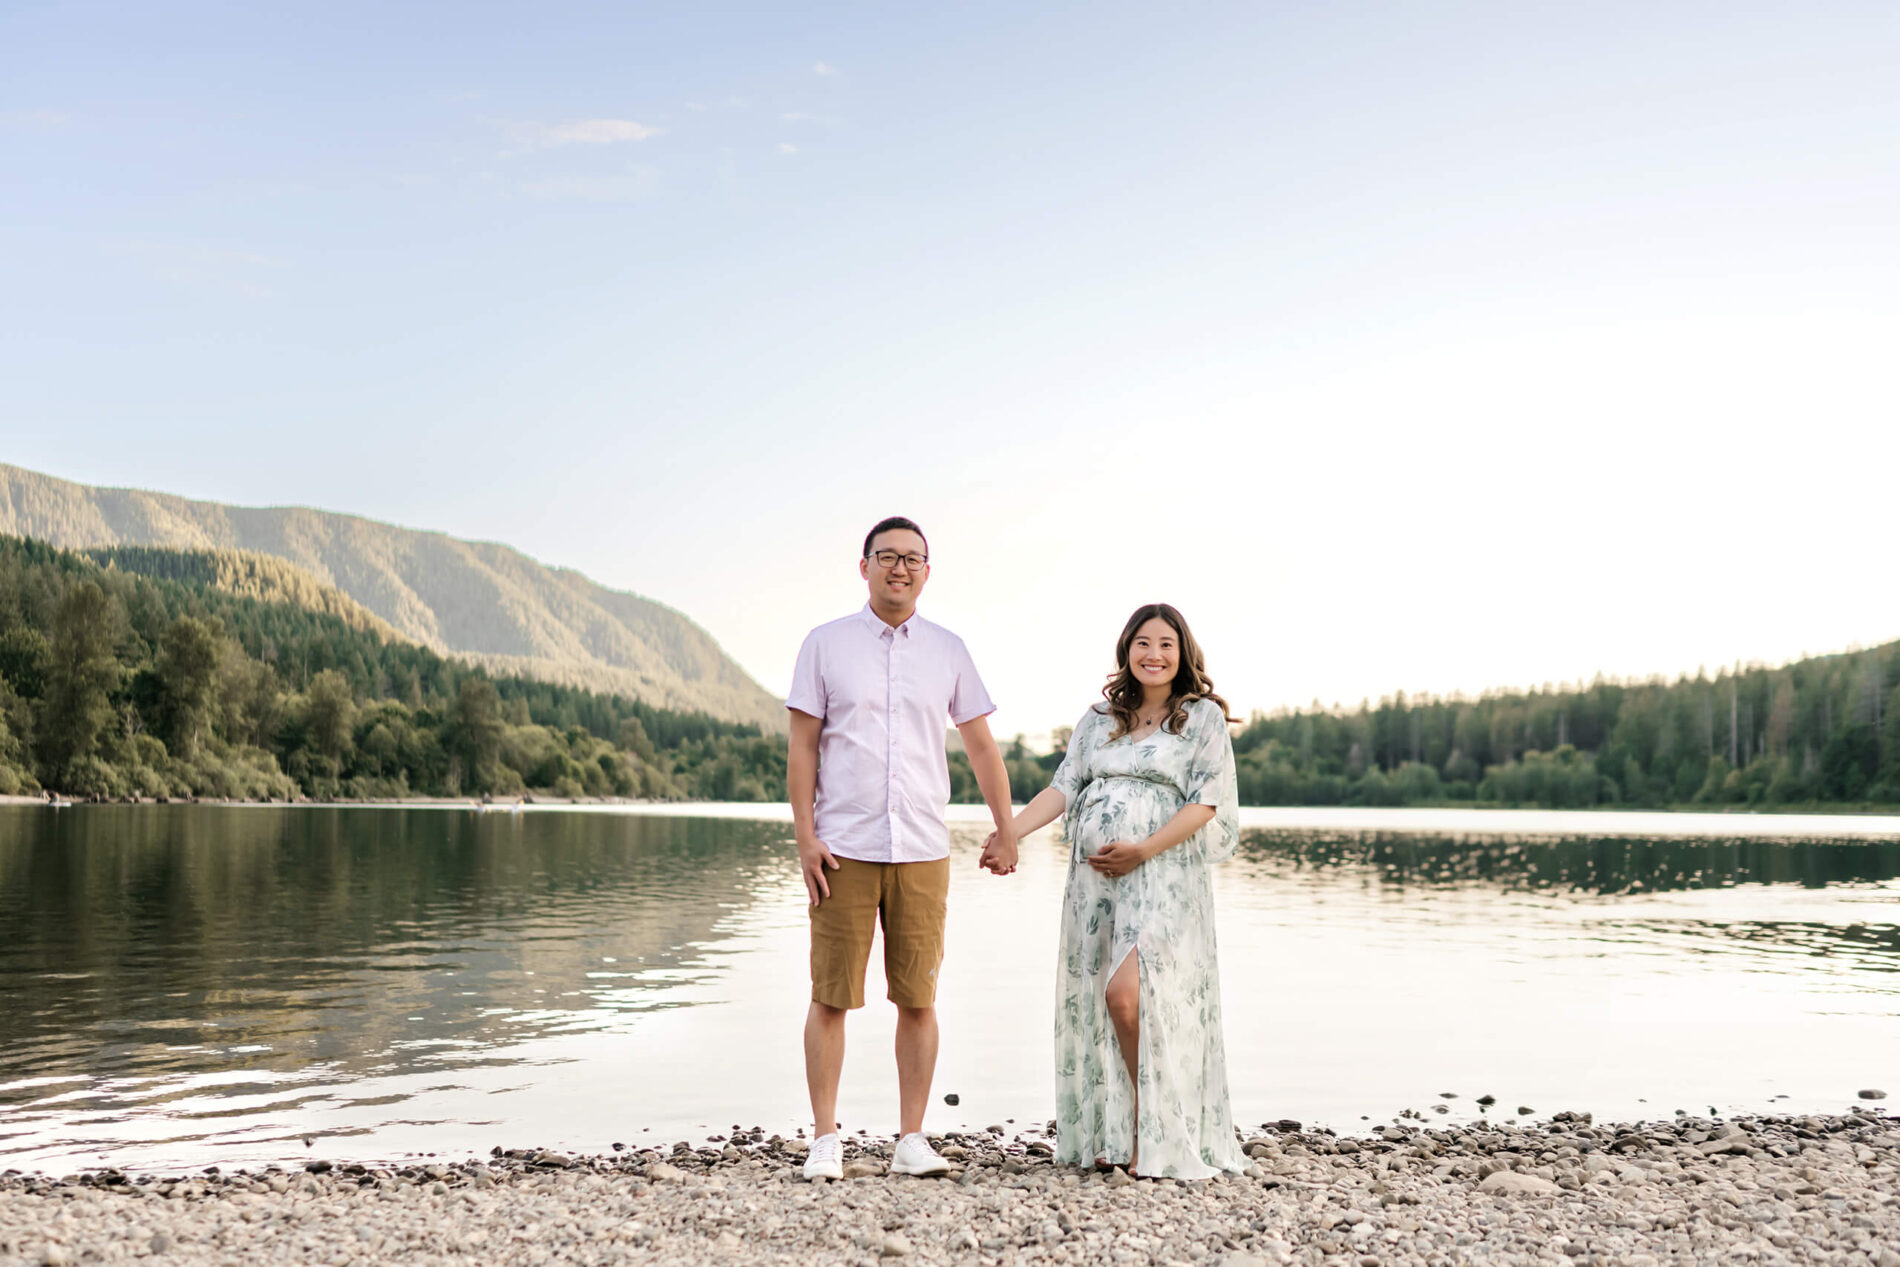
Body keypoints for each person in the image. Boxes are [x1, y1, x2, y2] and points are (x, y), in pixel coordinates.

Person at [786, 516, 1018, 1182]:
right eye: (887, 556)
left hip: (921, 845)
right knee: (830, 994)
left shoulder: (948, 649)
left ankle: (911, 1137)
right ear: (864, 566)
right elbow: (803, 746)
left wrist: (1005, 827)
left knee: (918, 996)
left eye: (913, 558)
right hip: (843, 846)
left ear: (926, 570)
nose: (900, 567)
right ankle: (826, 1137)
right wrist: (805, 836)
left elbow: (979, 744)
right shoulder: (825, 644)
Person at [992, 603, 1245, 1180]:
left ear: (1183, 654)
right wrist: (1010, 832)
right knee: (1100, 998)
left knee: (1128, 997)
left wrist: (1143, 849)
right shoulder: (1100, 718)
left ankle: (1148, 1131)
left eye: (1165, 644)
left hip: (1164, 875)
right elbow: (1064, 786)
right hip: (1094, 883)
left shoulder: (1200, 717)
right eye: (1142, 643)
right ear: (1125, 651)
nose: (1153, 655)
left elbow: (1207, 802)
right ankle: (1121, 1127)